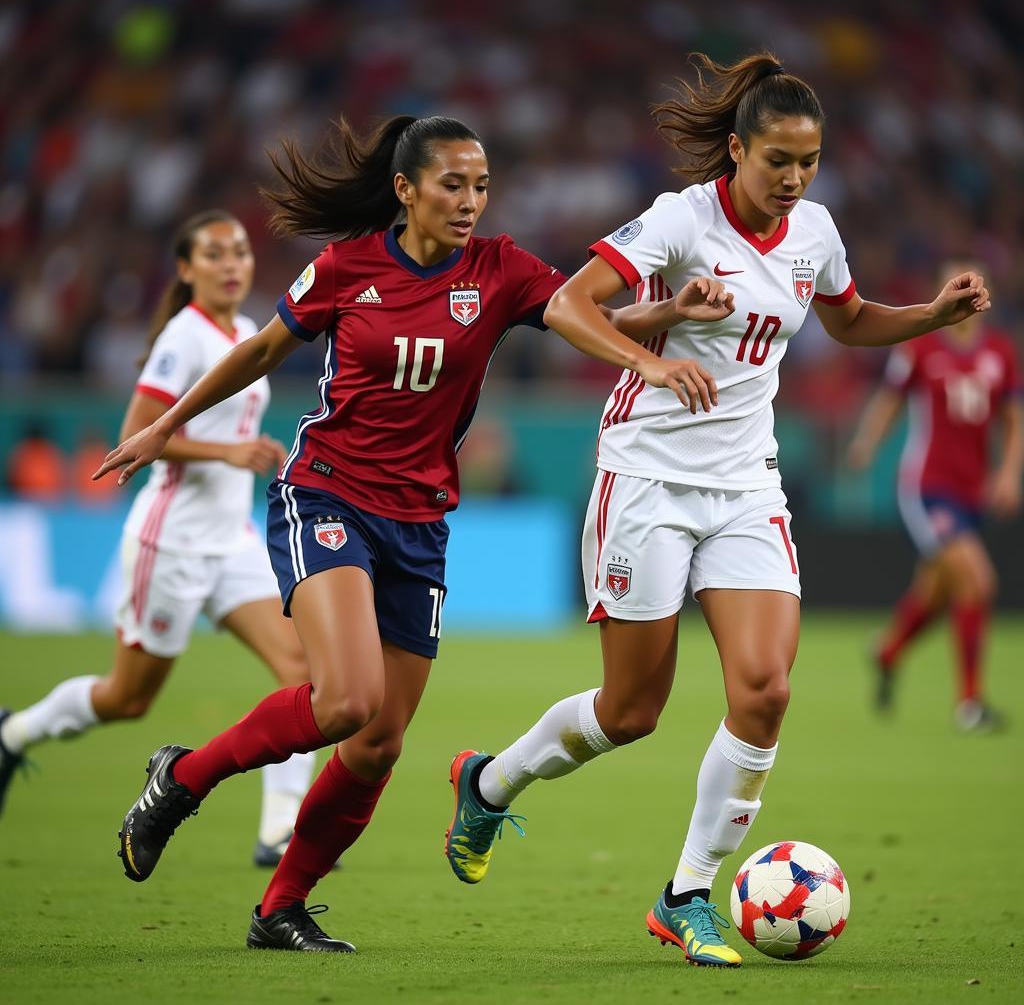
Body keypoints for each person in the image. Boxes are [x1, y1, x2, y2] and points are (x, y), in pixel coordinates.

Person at [93, 115, 721, 953]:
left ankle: (280, 908)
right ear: (406, 189)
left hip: (420, 520)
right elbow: (262, 352)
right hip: (326, 495)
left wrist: (667, 314)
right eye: (453, 185)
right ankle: (182, 779)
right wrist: (163, 426)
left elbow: (578, 319)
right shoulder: (347, 267)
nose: (470, 202)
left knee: (379, 741)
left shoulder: (500, 270)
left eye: (481, 186)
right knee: (346, 700)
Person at [442, 52, 992, 968]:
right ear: (736, 150)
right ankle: (489, 783)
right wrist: (656, 359)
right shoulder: (678, 220)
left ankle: (687, 891)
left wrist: (931, 314)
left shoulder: (813, 232)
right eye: (778, 159)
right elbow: (572, 307)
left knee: (766, 690)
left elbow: (847, 320)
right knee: (631, 710)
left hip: (745, 483)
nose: (794, 178)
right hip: (647, 477)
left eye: (808, 161)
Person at [0, 211, 318, 868]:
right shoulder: (184, 337)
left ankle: (279, 830)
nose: (231, 264)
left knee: (303, 670)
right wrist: (226, 453)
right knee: (127, 698)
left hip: (230, 541)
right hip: (169, 542)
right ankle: (15, 731)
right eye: (214, 254)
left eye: (239, 252)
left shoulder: (247, 333)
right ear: (185, 269)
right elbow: (139, 430)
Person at [847, 261, 1021, 731]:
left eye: (975, 285)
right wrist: (866, 443)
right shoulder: (921, 347)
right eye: (958, 284)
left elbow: (1013, 416)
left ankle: (887, 651)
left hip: (973, 488)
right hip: (928, 487)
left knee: (938, 592)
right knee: (978, 582)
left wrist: (1008, 473)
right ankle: (970, 703)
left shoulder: (1000, 352)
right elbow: (890, 400)